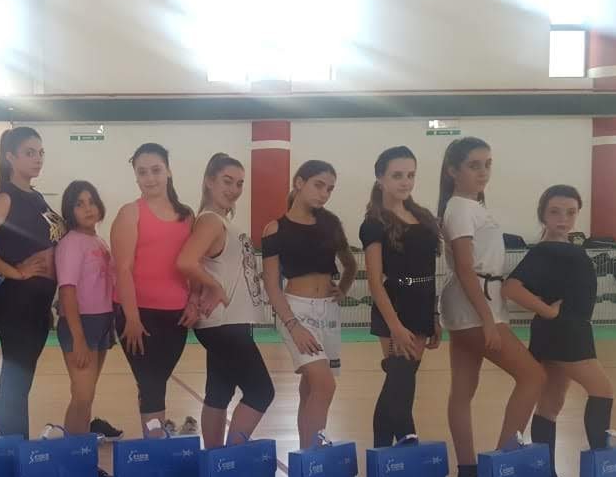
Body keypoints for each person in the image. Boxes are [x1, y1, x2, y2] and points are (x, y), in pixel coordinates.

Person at [438, 137, 546, 477]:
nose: (483, 172)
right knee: (533, 376)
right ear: (453, 170)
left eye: (487, 164)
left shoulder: (471, 206)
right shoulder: (460, 208)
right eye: (474, 165)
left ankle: (469, 471)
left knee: (462, 390)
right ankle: (502, 461)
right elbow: (465, 268)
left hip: (473, 302)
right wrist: (487, 318)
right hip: (475, 305)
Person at [503, 185, 613, 477]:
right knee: (602, 390)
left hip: (559, 331)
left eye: (570, 212)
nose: (563, 218)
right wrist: (548, 312)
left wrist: (547, 314)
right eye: (555, 212)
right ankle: (602, 472)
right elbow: (511, 288)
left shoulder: (560, 248)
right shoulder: (548, 249)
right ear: (543, 214)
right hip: (567, 331)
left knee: (551, 404)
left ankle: (547, 476)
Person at [0, 127, 63, 438]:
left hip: (38, 302)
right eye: (29, 153)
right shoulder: (6, 197)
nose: (38, 159)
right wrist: (13, 271)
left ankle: (18, 446)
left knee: (22, 381)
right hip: (17, 302)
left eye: (41, 152)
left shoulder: (36, 197)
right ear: (10, 157)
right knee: (15, 382)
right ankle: (14, 448)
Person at [175, 153, 273, 448]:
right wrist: (215, 287)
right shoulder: (210, 221)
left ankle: (215, 459)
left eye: (239, 184)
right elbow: (186, 261)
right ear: (209, 181)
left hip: (229, 322)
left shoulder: (220, 221)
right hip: (224, 323)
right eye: (227, 181)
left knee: (219, 394)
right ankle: (230, 458)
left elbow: (201, 264)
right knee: (261, 392)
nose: (234, 189)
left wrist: (197, 293)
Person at [261, 160, 357, 444]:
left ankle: (306, 456)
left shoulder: (331, 223)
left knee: (312, 387)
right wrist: (293, 325)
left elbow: (350, 264)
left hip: (329, 312)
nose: (324, 193)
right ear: (299, 182)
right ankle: (315, 453)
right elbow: (271, 285)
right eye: (318, 185)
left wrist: (343, 288)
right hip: (296, 311)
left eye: (330, 189)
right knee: (325, 385)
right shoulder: (275, 229)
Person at [110, 143, 198, 438]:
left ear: (168, 171)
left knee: (155, 383)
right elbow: (123, 269)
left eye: (156, 170)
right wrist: (132, 318)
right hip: (139, 316)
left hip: (176, 316)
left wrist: (193, 301)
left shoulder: (187, 216)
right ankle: (155, 445)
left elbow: (193, 264)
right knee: (151, 385)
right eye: (142, 172)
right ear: (136, 176)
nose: (150, 178)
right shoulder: (130, 213)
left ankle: (156, 440)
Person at [359, 146, 442, 448]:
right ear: (380, 178)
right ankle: (399, 448)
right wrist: (394, 326)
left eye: (410, 175)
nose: (405, 182)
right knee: (400, 384)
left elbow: (429, 270)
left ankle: (386, 454)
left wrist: (434, 316)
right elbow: (374, 280)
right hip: (395, 308)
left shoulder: (422, 216)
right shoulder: (374, 223)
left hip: (422, 307)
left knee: (400, 386)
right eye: (397, 175)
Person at [54, 180, 116, 439]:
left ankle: (81, 448)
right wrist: (78, 338)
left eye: (91, 202)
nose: (88, 208)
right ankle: (72, 451)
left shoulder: (98, 241)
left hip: (103, 321)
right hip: (81, 324)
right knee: (81, 396)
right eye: (79, 204)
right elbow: (67, 291)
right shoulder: (71, 243)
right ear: (70, 211)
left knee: (88, 395)